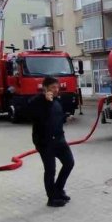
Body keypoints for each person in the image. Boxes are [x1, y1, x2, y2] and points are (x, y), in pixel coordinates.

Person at [29, 77, 74, 207]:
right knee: (50, 170)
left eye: (57, 87)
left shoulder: (56, 101)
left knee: (69, 163)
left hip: (59, 140)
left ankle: (59, 189)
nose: (56, 90)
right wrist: (46, 102)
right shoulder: (37, 101)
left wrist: (66, 118)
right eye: (53, 87)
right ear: (45, 88)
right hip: (45, 142)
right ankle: (52, 198)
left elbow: (56, 117)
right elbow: (36, 116)